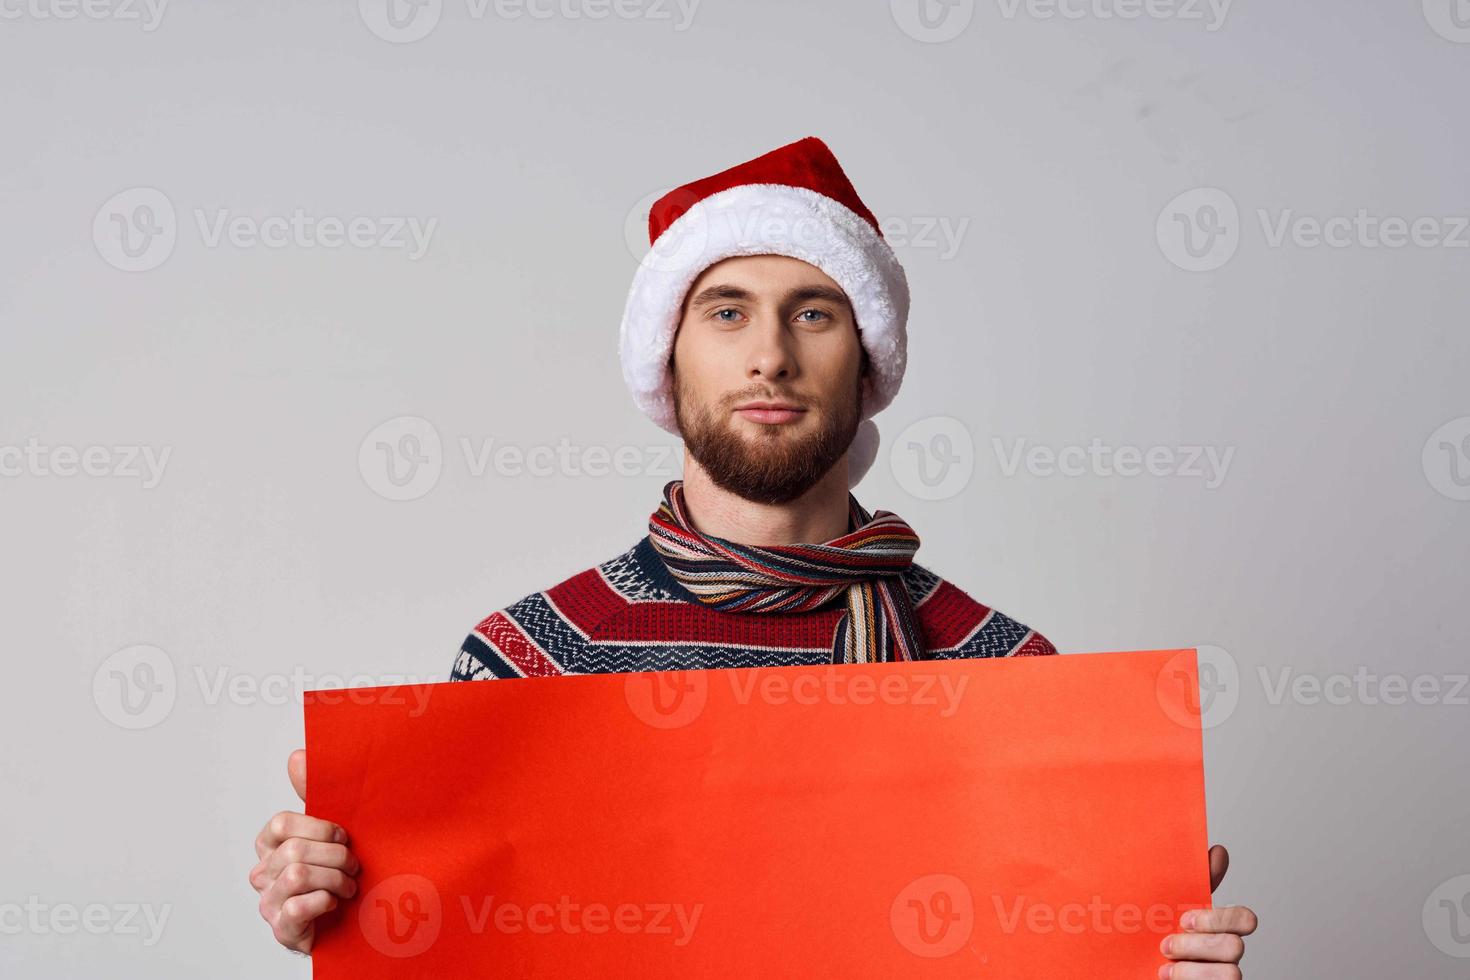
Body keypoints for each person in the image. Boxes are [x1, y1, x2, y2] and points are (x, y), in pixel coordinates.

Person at [250, 137, 1257, 977]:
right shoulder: (527, 664)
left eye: (813, 311)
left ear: (867, 363)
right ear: (667, 355)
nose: (768, 352)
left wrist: (1146, 955)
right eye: (726, 310)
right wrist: (351, 899)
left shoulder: (1010, 679)